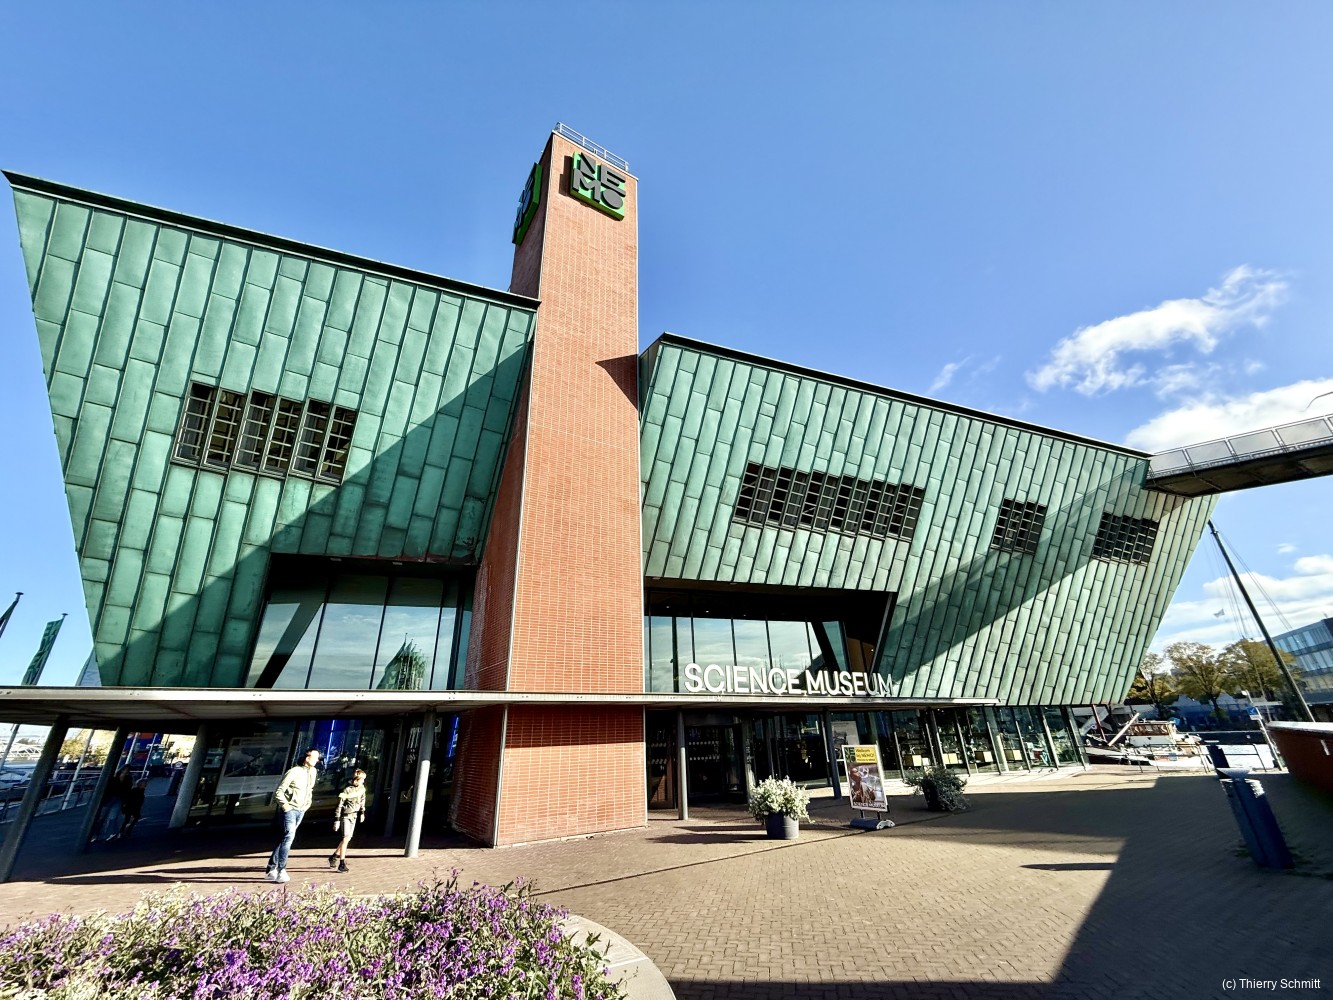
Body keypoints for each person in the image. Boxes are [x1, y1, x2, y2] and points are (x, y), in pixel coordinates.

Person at [265, 747, 321, 883]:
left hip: (301, 810)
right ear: (307, 758)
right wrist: (286, 807)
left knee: (285, 838)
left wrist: (307, 804)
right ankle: (281, 870)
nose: (317, 760)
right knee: (289, 837)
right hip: (290, 810)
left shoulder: (313, 772)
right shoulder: (294, 772)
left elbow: (310, 789)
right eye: (315, 757)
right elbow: (279, 791)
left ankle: (271, 868)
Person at [328, 768, 367, 873]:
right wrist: (337, 820)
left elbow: (362, 801)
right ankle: (342, 864)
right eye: (362, 779)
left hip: (354, 816)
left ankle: (333, 856)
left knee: (348, 838)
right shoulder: (347, 790)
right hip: (346, 816)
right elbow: (339, 805)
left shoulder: (362, 789)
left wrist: (362, 813)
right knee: (345, 839)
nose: (363, 781)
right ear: (356, 779)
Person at [95, 767, 132, 842]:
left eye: (127, 770)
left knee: (112, 817)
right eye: (125, 770)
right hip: (111, 798)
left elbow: (127, 791)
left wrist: (125, 801)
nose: (125, 771)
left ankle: (108, 835)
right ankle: (99, 834)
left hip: (117, 799)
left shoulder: (127, 780)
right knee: (103, 817)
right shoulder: (114, 778)